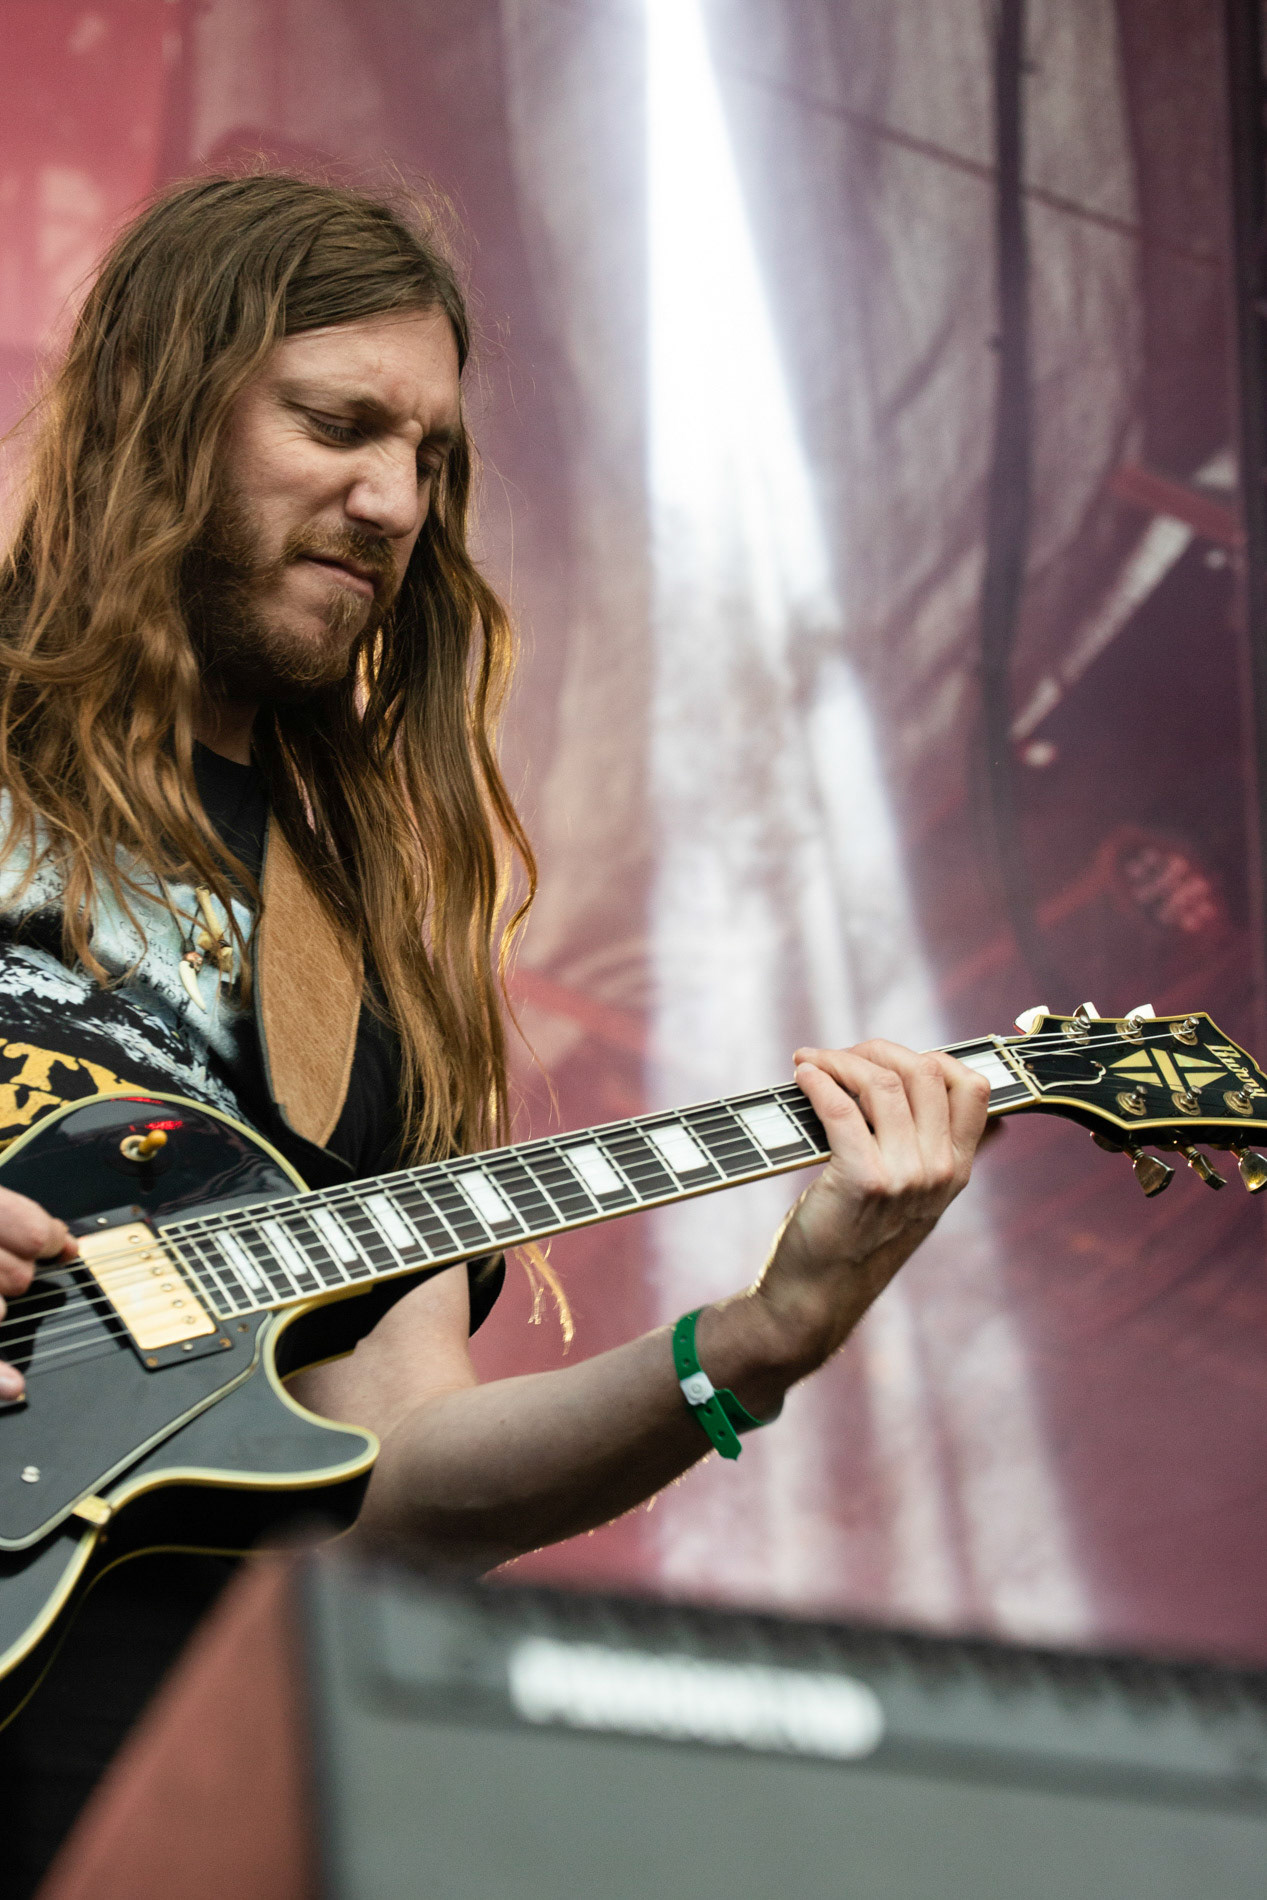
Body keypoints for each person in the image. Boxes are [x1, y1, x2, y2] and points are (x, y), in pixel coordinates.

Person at [0, 173, 991, 1888]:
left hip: (147, 1809)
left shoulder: (372, 938)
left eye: (430, 458)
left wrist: (761, 1340)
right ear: (159, 404)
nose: (394, 503)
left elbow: (395, 1471)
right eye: (336, 426)